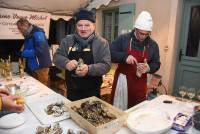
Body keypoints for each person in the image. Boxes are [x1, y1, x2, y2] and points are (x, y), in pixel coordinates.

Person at [53, 9, 111, 101]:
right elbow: (56, 57)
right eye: (80, 25)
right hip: (72, 90)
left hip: (93, 92)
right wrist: (66, 63)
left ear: (94, 26)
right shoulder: (68, 41)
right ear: (76, 26)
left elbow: (106, 65)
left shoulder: (101, 43)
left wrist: (89, 69)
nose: (83, 29)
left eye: (87, 25)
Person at [110, 11, 160, 110]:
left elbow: (157, 63)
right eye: (141, 33)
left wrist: (148, 68)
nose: (143, 36)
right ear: (135, 29)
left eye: (147, 34)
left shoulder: (153, 45)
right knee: (119, 110)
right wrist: (124, 57)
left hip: (140, 84)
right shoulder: (123, 39)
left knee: (137, 111)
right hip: (122, 81)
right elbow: (110, 53)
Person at [17, 18, 52, 86]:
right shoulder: (29, 35)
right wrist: (22, 52)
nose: (19, 30)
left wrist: (23, 53)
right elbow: (27, 48)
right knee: (36, 87)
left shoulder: (38, 33)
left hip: (41, 66)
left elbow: (40, 51)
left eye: (20, 28)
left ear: (25, 25)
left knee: (43, 88)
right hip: (34, 65)